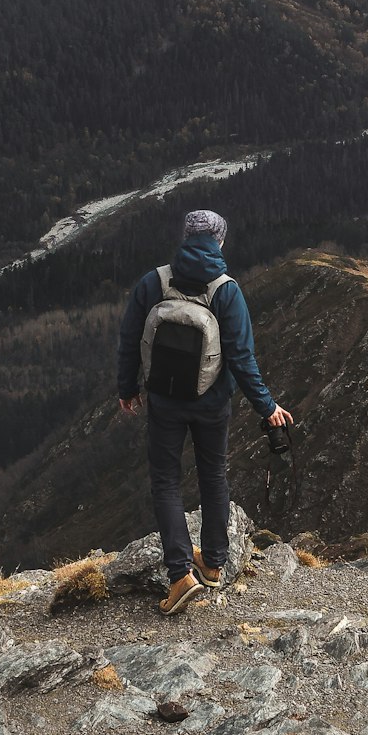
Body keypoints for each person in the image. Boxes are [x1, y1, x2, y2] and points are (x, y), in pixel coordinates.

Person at [117, 208, 292, 614]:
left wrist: (128, 389)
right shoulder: (226, 291)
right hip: (212, 404)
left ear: (186, 237)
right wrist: (268, 408)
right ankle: (212, 564)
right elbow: (243, 359)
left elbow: (129, 338)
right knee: (214, 476)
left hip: (164, 402)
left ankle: (180, 575)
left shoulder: (154, 282)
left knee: (166, 482)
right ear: (220, 242)